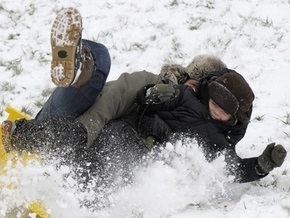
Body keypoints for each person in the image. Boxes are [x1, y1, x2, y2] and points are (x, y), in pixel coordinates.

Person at [1, 8, 286, 187]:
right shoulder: (163, 88)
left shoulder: (215, 142)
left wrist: (260, 166)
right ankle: (76, 67)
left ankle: (34, 140)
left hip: (88, 154)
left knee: (91, 144)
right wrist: (149, 97)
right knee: (100, 56)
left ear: (234, 117)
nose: (194, 89)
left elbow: (228, 169)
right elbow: (120, 93)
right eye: (195, 83)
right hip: (70, 125)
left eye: (222, 108)